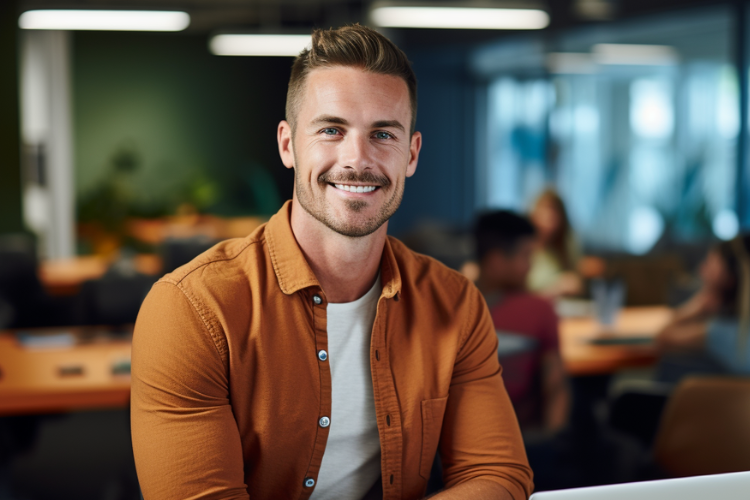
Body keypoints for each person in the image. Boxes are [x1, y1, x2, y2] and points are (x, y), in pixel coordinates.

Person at [130, 25, 532, 500]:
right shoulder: (192, 310)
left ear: (412, 154)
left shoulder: (455, 302)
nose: (356, 158)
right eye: (331, 130)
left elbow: (498, 476)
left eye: (383, 133)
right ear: (287, 145)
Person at [475, 211, 569, 433]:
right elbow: (556, 389)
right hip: (520, 445)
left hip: (513, 447)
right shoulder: (539, 310)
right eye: (525, 256)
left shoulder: (450, 304)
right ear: (496, 262)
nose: (530, 266)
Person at [657, 235, 750, 375]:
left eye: (709, 264)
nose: (701, 270)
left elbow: (662, 337)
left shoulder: (721, 333)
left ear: (729, 278)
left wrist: (697, 306)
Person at [527, 189, 582, 297]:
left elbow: (577, 283)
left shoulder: (563, 247)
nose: (550, 216)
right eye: (546, 209)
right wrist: (556, 288)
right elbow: (517, 297)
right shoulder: (523, 248)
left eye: (555, 211)